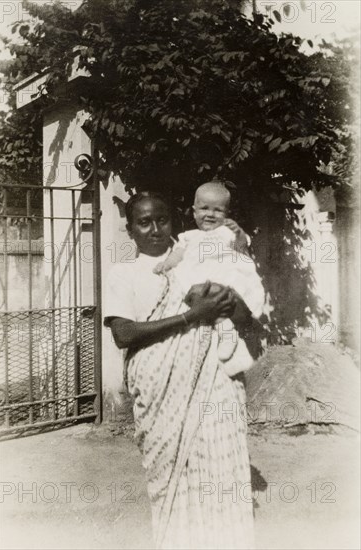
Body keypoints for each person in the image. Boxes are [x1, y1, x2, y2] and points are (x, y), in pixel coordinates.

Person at [104, 191, 264, 550]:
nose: (156, 229)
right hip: (159, 391)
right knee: (170, 483)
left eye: (162, 220)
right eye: (144, 222)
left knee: (220, 474)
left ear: (173, 221)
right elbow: (123, 333)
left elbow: (243, 315)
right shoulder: (123, 273)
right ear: (130, 230)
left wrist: (235, 269)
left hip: (214, 381)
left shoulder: (198, 257)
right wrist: (193, 315)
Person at [153, 182, 264, 376]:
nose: (210, 214)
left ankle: (226, 328)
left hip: (223, 278)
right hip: (196, 281)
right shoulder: (188, 236)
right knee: (191, 296)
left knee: (214, 295)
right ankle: (226, 346)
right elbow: (177, 255)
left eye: (218, 210)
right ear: (194, 212)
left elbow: (242, 250)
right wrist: (166, 264)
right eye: (204, 208)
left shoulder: (228, 232)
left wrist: (238, 233)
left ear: (226, 213)